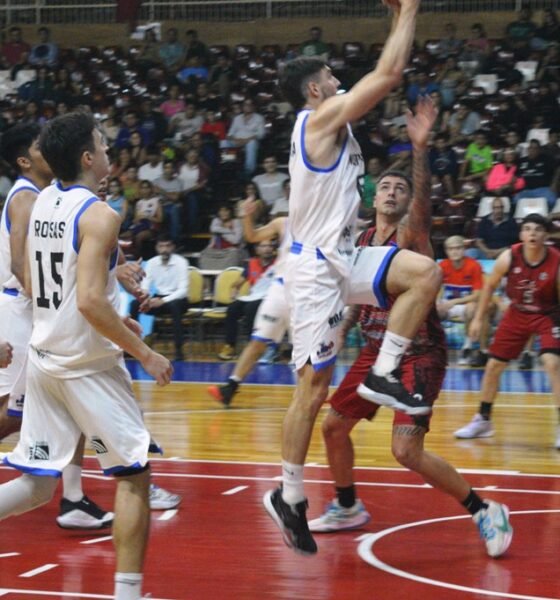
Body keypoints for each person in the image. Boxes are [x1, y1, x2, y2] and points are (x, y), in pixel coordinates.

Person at [263, 0, 443, 556]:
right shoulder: (319, 120)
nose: (339, 81)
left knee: (425, 274)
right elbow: (388, 75)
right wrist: (408, 10)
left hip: (342, 257)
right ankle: (289, 495)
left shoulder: (325, 118)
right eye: (330, 78)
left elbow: (383, 74)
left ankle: (385, 369)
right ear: (314, 92)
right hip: (317, 270)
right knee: (313, 389)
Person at [307, 99, 513, 559]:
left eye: (401, 188)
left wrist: (420, 149)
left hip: (418, 353)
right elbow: (358, 301)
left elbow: (420, 213)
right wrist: (337, 335)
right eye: (387, 186)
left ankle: (484, 509)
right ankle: (346, 506)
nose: (393, 192)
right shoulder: (358, 241)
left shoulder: (411, 238)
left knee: (406, 452)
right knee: (333, 427)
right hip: (373, 351)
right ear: (373, 196)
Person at [0, 110, 173, 600]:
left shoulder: (41, 202)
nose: (109, 150)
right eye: (102, 142)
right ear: (87, 157)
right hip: (86, 369)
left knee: (35, 487)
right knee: (135, 477)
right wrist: (143, 352)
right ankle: (127, 594)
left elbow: (63, 283)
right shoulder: (99, 213)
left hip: (46, 358)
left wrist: (114, 321)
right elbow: (90, 300)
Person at [0, 122, 114, 529]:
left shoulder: (51, 196)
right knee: (14, 416)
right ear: (24, 160)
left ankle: (75, 496)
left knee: (65, 410)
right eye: (37, 146)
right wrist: (52, 308)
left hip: (37, 314)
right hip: (23, 313)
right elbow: (19, 264)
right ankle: (82, 491)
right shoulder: (28, 199)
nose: (47, 150)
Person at [455, 214, 560, 449]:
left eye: (537, 230)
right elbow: (489, 286)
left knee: (552, 363)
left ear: (545, 236)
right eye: (527, 229)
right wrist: (479, 319)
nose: (532, 233)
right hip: (517, 312)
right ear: (521, 235)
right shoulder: (509, 256)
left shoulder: (556, 262)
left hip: (547, 314)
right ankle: (483, 419)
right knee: (493, 366)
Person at [208, 197, 290, 405]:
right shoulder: (284, 223)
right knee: (258, 340)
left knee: (309, 348)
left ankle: (315, 392)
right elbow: (252, 236)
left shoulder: (325, 225)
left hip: (310, 291)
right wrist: (246, 215)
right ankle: (230, 387)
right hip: (281, 288)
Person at [129, 234, 189, 361]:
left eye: (167, 246)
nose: (164, 249)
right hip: (157, 298)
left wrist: (163, 301)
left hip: (176, 299)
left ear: (172, 247)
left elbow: (183, 290)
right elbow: (146, 285)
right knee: (134, 304)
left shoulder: (181, 262)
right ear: (157, 248)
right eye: (161, 246)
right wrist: (145, 299)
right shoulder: (151, 263)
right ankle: (132, 347)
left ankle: (179, 350)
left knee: (175, 307)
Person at [216, 240, 277, 361]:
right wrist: (234, 289)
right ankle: (230, 346)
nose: (267, 248)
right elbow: (238, 283)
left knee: (250, 308)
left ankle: (253, 347)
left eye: (270, 246)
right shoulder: (251, 264)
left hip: (271, 298)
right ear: (257, 250)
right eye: (264, 246)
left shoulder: (279, 264)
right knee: (232, 309)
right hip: (254, 296)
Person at [437, 235, 485, 366]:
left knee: (472, 308)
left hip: (466, 304)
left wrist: (454, 302)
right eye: (451, 249)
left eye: (458, 248)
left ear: (464, 249)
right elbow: (437, 289)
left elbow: (477, 295)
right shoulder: (442, 266)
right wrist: (437, 303)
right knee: (430, 311)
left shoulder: (474, 266)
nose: (454, 252)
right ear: (447, 251)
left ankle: (467, 348)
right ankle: (436, 349)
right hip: (447, 305)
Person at [466, 196, 519, 261]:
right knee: (469, 253)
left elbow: (514, 244)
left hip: (504, 253)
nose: (499, 210)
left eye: (501, 207)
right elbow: (479, 241)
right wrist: (487, 251)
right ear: (492, 209)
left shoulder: (511, 222)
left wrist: (497, 252)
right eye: (496, 208)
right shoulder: (484, 221)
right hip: (486, 253)